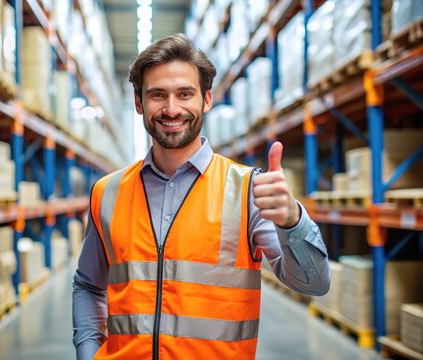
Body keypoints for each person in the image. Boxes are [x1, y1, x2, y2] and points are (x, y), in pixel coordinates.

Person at [73, 33, 330, 360]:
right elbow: (88, 285)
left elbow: (313, 284)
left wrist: (293, 221)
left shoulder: (247, 190)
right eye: (157, 95)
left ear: (206, 100)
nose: (171, 108)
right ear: (139, 103)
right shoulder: (106, 193)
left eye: (185, 94)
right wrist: (87, 352)